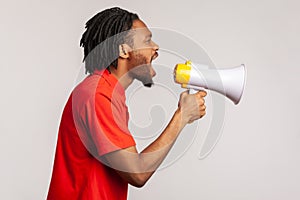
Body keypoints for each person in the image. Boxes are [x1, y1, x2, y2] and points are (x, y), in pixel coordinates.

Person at [47, 7, 206, 200]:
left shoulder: (108, 93)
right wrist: (182, 116)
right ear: (124, 50)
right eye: (147, 40)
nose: (155, 48)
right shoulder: (98, 95)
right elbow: (137, 173)